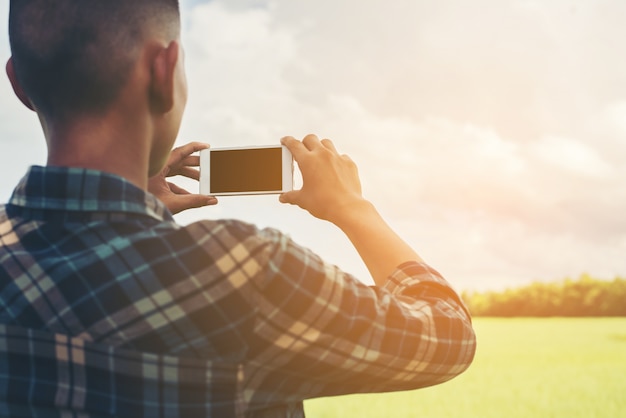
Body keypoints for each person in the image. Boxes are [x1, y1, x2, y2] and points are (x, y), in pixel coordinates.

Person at [0, 0, 476, 417]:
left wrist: (140, 218)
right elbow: (448, 338)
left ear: (18, 82)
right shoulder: (242, 272)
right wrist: (353, 207)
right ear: (164, 73)